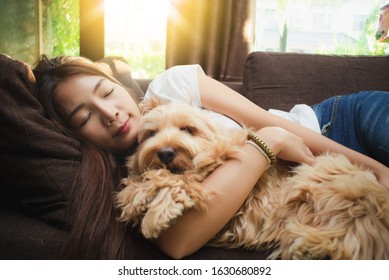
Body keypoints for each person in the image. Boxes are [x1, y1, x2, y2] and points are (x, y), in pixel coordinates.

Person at [33, 55, 389, 260]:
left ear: (118, 84)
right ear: (77, 136)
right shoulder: (135, 176)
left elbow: (268, 122)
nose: (108, 112)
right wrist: (270, 143)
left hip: (336, 123)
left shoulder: (173, 85)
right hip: (316, 186)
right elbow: (178, 243)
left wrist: (376, 170)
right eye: (84, 117)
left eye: (107, 92)